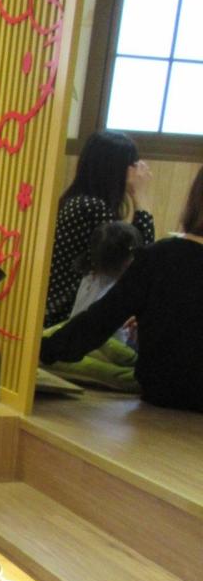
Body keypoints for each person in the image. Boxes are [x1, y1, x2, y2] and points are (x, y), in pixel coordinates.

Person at [40, 165, 203, 413]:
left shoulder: (160, 256)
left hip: (160, 391)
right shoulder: (158, 256)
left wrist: (41, 351)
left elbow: (99, 321)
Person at [45, 130, 154, 327]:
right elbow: (139, 261)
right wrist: (141, 197)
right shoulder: (91, 207)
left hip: (63, 312)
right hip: (65, 317)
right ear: (116, 168)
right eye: (132, 165)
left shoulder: (79, 201)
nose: (137, 173)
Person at [70, 220, 143, 347]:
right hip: (105, 351)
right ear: (128, 261)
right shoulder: (117, 293)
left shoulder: (89, 277)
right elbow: (122, 339)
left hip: (76, 341)